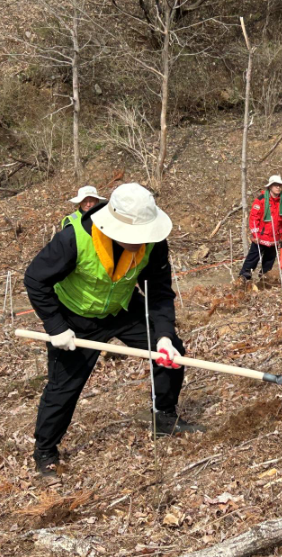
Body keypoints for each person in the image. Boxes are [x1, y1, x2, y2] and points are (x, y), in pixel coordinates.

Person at [24, 183, 203, 478]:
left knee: (172, 356)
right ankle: (45, 451)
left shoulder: (153, 242)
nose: (139, 242)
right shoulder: (74, 238)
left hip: (121, 308)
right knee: (63, 389)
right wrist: (56, 327)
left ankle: (165, 417)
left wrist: (164, 336)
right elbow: (35, 279)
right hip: (75, 317)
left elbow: (159, 290)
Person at [239, 175, 282, 282]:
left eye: (279, 185)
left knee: (269, 260)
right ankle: (244, 277)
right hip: (261, 236)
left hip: (274, 237)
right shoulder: (261, 200)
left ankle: (264, 278)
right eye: (275, 185)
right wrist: (255, 233)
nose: (278, 187)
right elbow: (254, 217)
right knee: (253, 257)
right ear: (270, 186)